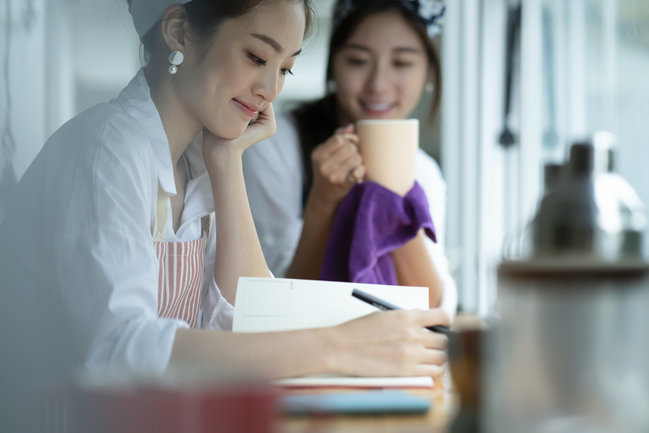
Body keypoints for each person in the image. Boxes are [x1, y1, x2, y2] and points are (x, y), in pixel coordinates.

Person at [0, 0, 450, 395]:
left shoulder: (196, 159)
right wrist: (345, 346)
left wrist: (227, 162)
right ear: (179, 32)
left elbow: (247, 320)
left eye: (285, 68)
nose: (272, 91)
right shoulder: (107, 146)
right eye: (257, 56)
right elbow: (119, 350)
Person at [242, 0, 457, 316]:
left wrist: (392, 193)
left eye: (401, 63)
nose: (378, 86)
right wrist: (322, 202)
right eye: (358, 61)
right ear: (333, 68)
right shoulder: (273, 141)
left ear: (429, 74)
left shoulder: (423, 171)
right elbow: (274, 302)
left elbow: (436, 310)